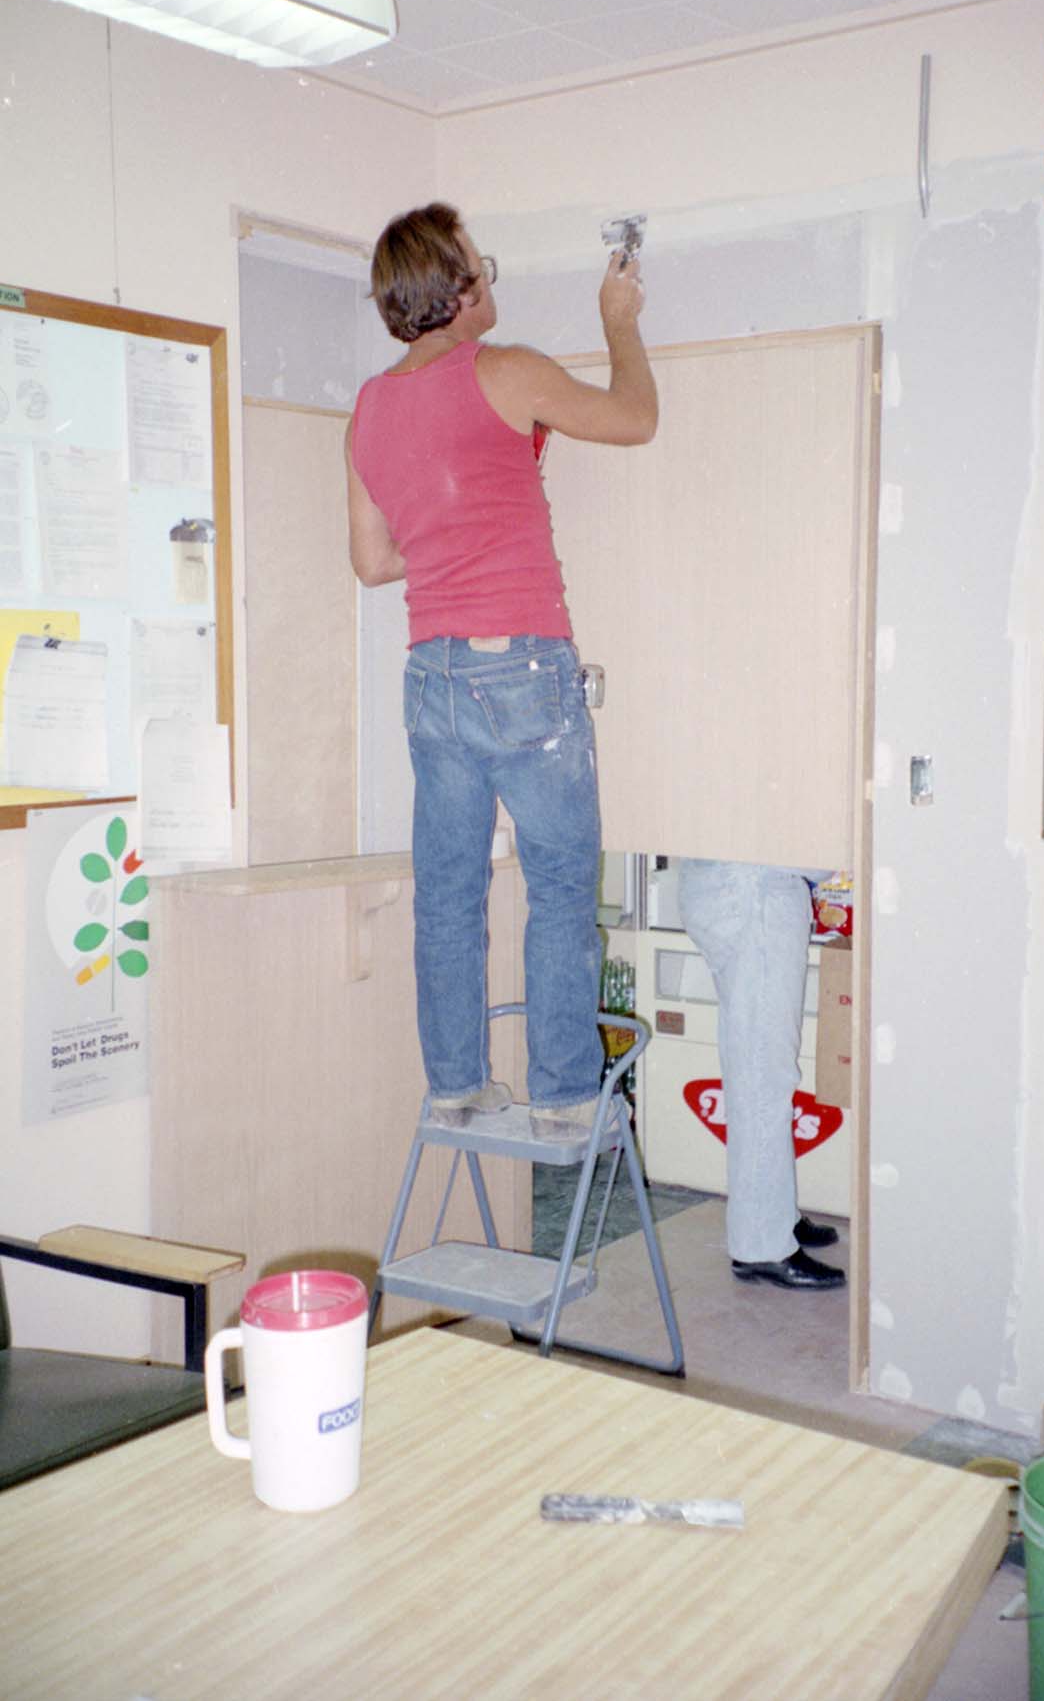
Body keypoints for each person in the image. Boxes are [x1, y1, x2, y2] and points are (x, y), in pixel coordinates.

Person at [346, 202, 657, 1128]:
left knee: (449, 895)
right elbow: (636, 418)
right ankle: (564, 1100)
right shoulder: (506, 372)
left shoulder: (368, 406)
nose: (491, 280)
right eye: (482, 266)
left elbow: (371, 562)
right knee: (559, 890)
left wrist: (446, 538)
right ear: (458, 288)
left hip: (432, 674)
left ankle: (455, 1087)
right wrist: (618, 325)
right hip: (522, 670)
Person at [677, 858, 847, 1291]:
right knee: (763, 1073)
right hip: (756, 888)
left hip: (732, 882)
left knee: (753, 1061)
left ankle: (775, 1216)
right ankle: (763, 1245)